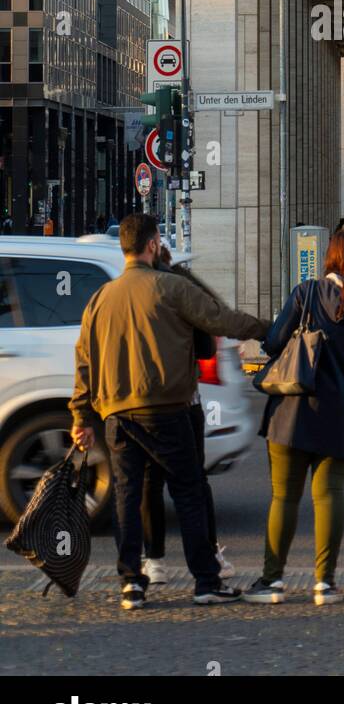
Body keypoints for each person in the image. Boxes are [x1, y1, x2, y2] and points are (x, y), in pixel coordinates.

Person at [69, 213, 267, 611]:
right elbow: (220, 320)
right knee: (190, 493)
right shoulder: (171, 287)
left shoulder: (100, 300)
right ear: (153, 244)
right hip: (168, 411)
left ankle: (132, 584)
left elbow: (84, 362)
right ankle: (206, 582)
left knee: (127, 496)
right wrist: (268, 329)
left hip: (118, 416)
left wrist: (81, 418)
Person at [245, 230, 344, 607]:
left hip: (293, 411)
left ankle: (272, 581)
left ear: (329, 258)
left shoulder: (305, 292)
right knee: (329, 495)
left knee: (284, 497)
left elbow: (275, 341)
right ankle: (324, 584)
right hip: (342, 414)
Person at [140, 245, 233, 585]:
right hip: (184, 399)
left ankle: (153, 561)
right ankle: (210, 559)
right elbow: (207, 346)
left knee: (149, 482)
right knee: (193, 483)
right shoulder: (181, 290)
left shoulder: (134, 291)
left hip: (142, 401)